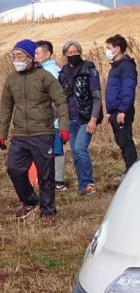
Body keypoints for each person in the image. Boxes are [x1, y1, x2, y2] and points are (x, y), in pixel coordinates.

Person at [0, 39, 70, 221]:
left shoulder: (45, 77)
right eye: (13, 56)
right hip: (20, 134)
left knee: (46, 175)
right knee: (14, 169)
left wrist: (64, 127)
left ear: (30, 57)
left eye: (20, 56)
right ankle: (29, 201)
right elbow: (6, 107)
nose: (16, 60)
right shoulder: (11, 79)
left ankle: (48, 211)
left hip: (42, 133)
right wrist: (2, 134)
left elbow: (61, 101)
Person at [57, 39, 100, 196]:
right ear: (65, 54)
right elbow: (60, 98)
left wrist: (94, 119)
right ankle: (82, 185)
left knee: (81, 149)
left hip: (85, 118)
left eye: (76, 52)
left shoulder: (89, 70)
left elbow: (96, 97)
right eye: (70, 53)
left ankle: (89, 183)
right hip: (70, 118)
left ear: (80, 52)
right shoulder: (63, 73)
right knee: (75, 153)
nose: (73, 55)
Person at [35, 40, 66, 190]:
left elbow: (56, 98)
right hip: (47, 118)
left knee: (56, 149)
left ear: (47, 54)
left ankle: (58, 181)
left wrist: (50, 116)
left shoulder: (51, 71)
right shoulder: (43, 70)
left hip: (53, 119)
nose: (35, 56)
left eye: (37, 53)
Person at [104, 34, 137, 176]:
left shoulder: (126, 66)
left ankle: (133, 172)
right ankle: (129, 170)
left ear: (117, 49)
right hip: (115, 110)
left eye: (108, 48)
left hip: (122, 110)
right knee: (120, 141)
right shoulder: (114, 67)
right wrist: (109, 112)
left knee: (126, 141)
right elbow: (113, 91)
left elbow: (128, 89)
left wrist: (123, 110)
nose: (107, 51)